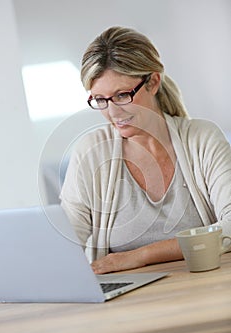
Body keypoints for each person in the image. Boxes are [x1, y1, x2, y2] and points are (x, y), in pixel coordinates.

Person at [60, 26, 231, 274]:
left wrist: (140, 256)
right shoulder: (90, 153)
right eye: (100, 100)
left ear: (153, 82)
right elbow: (64, 243)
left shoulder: (202, 139)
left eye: (121, 95)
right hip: (127, 306)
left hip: (205, 289)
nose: (113, 112)